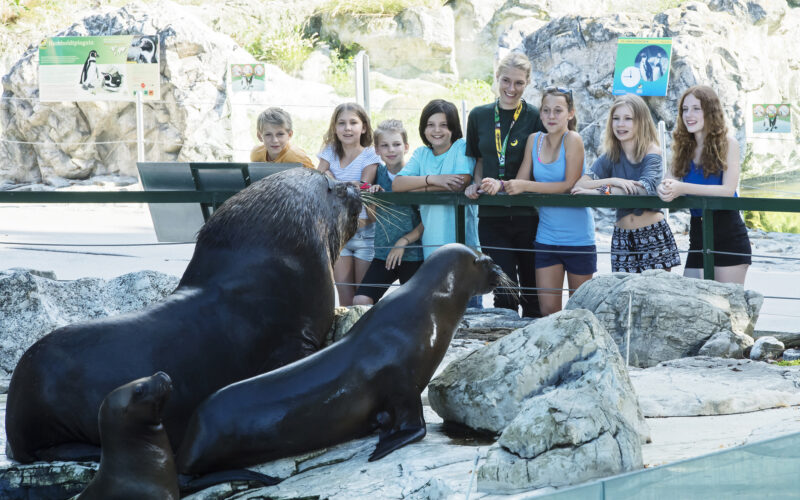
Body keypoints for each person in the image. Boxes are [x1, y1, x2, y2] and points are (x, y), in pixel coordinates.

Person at [480, 87, 595, 316]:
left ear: (570, 114)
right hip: (547, 236)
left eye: (558, 111)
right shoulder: (534, 140)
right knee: (548, 311)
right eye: (546, 111)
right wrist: (499, 184)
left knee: (579, 311)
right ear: (540, 114)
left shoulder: (573, 139)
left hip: (578, 236)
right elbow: (521, 180)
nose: (551, 116)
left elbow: (568, 185)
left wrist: (526, 186)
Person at [464, 52, 546, 318]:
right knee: (504, 291)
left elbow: (539, 163)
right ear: (497, 78)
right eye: (506, 81)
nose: (511, 89)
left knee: (533, 291)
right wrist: (476, 185)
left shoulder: (535, 116)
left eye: (519, 83)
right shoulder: (478, 115)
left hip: (528, 214)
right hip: (491, 216)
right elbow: (479, 160)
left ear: (528, 82)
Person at [571, 94, 680, 273]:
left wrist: (599, 191)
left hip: (651, 234)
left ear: (641, 122)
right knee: (625, 299)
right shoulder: (610, 155)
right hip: (621, 236)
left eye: (628, 119)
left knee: (654, 297)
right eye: (616, 118)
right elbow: (581, 184)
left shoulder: (651, 151)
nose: (620, 124)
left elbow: (643, 189)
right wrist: (615, 181)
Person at [392, 99, 482, 308]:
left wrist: (417, 187)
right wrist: (434, 179)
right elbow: (398, 184)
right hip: (432, 253)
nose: (436, 130)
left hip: (464, 252)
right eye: (430, 125)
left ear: (453, 128)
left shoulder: (461, 146)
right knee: (439, 314)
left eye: (443, 125)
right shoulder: (421, 154)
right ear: (423, 128)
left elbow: (460, 182)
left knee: (470, 315)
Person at [657, 85, 751, 284]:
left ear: (710, 111)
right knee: (690, 302)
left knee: (727, 307)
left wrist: (682, 189)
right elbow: (668, 181)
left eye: (696, 108)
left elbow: (728, 190)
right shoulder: (683, 147)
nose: (688, 115)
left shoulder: (728, 143)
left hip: (728, 231)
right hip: (698, 231)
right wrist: (664, 189)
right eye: (684, 109)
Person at [353, 120, 424, 306]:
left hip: (412, 254)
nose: (391, 150)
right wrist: (374, 199)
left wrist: (404, 241)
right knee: (360, 300)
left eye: (396, 144)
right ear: (377, 150)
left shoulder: (415, 174)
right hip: (384, 253)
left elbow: (427, 219)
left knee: (412, 305)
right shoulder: (377, 175)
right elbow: (371, 217)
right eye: (385, 145)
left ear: (406, 147)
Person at [318, 102, 381, 306]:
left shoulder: (370, 154)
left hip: (364, 231)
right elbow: (318, 178)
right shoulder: (329, 152)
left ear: (363, 127)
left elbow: (362, 186)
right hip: (338, 231)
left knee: (361, 300)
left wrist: (332, 180)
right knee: (345, 300)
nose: (347, 128)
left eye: (353, 122)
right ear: (334, 128)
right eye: (341, 123)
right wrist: (329, 178)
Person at [249, 107, 315, 168]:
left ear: (289, 135)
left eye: (280, 134)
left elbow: (316, 178)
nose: (275, 140)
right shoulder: (256, 154)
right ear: (259, 136)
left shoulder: (296, 157)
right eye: (268, 134)